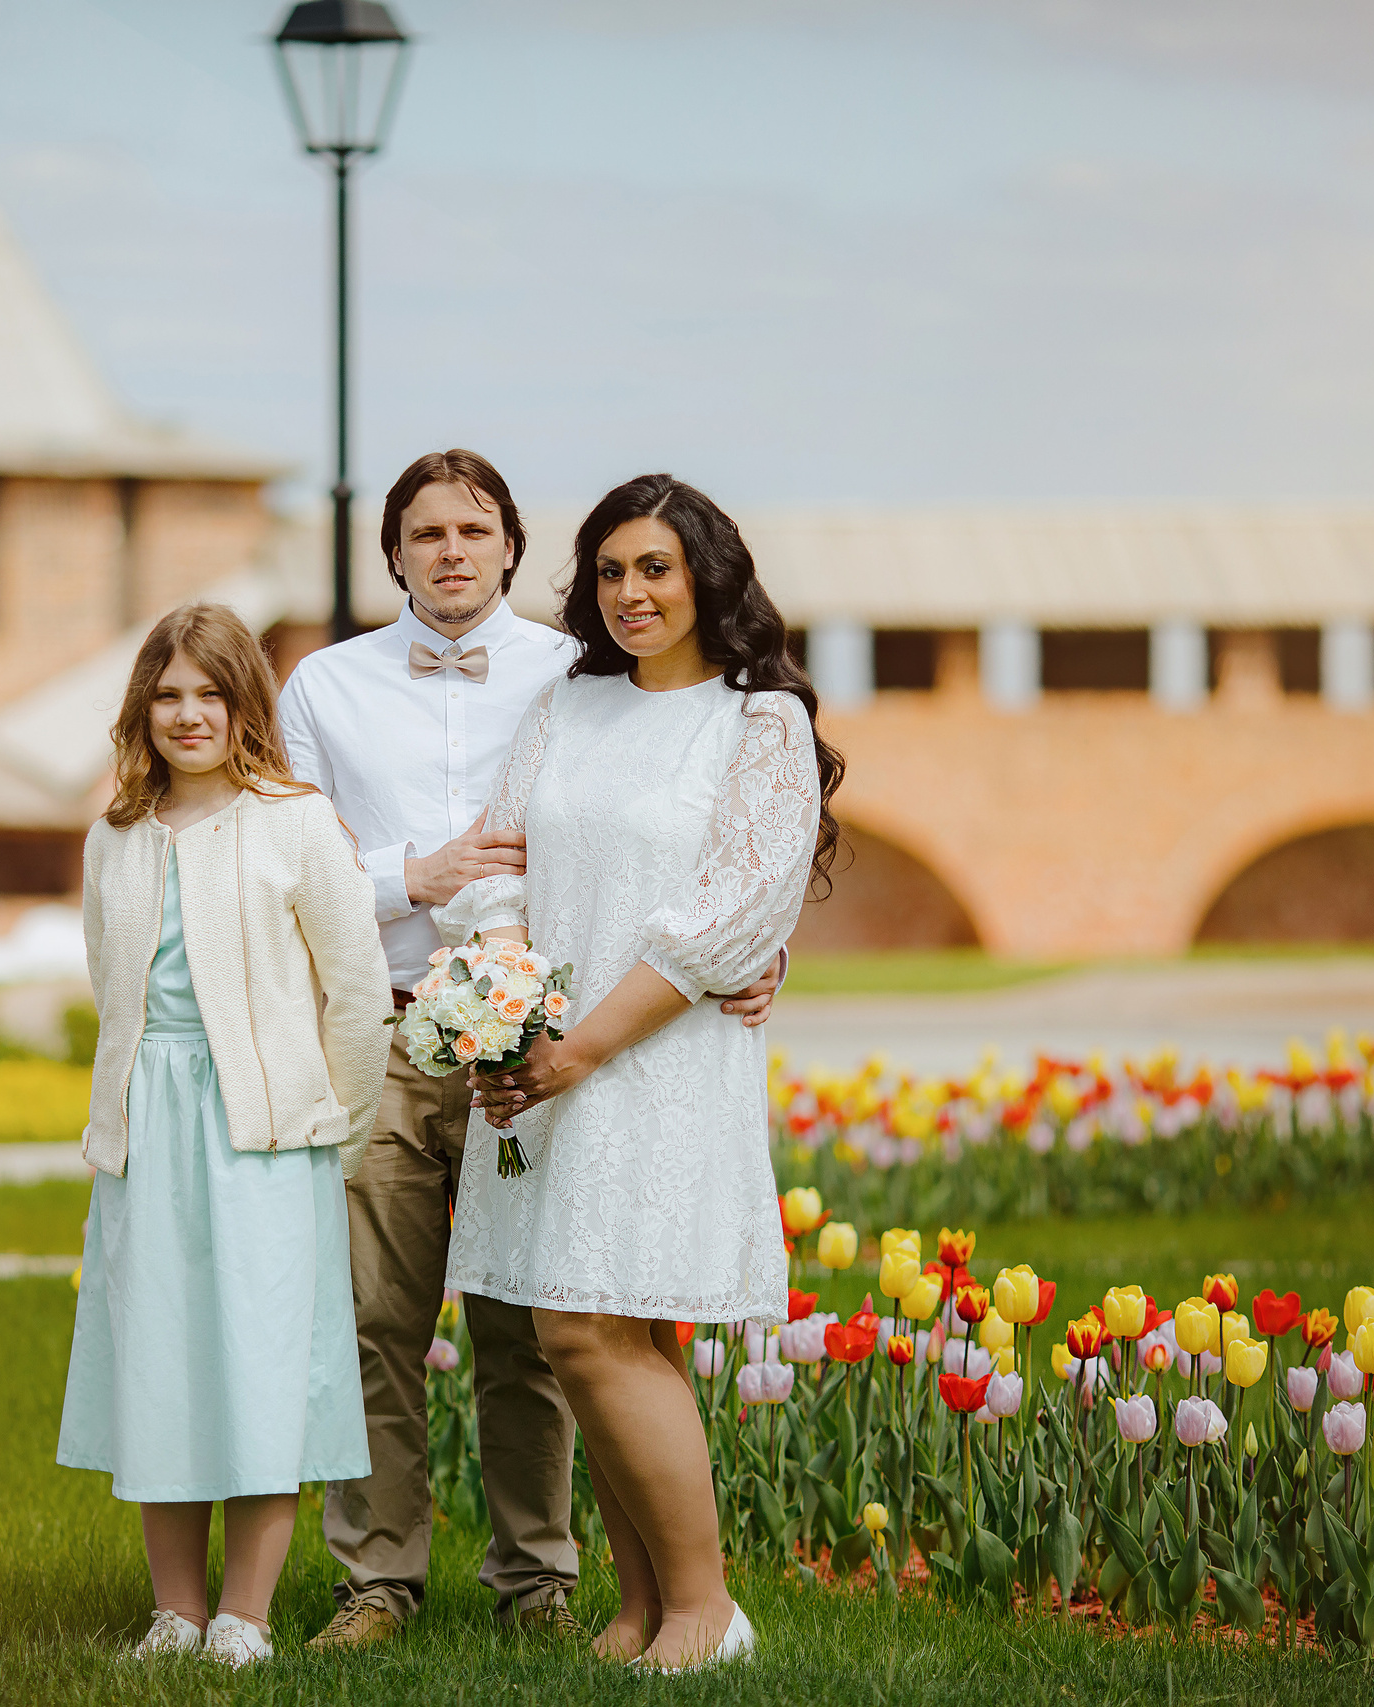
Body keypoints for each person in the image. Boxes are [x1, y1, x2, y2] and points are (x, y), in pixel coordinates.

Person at [276, 450, 785, 1651]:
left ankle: (540, 1585)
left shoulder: (587, 669)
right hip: (391, 1019)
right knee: (377, 1322)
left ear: (509, 547)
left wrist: (752, 953)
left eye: (474, 529)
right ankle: (378, 1585)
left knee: (548, 1330)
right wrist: (419, 879)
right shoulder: (323, 688)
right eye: (424, 534)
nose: (450, 550)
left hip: (567, 1041)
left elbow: (713, 854)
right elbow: (286, 866)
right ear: (391, 553)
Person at [442, 473, 844, 1672]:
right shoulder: (566, 708)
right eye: (611, 571)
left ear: (707, 576)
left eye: (655, 568)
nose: (630, 593)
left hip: (655, 1060)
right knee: (601, 1329)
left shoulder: (755, 723)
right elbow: (498, 869)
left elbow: (728, 916)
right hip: (545, 1058)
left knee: (587, 1324)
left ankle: (704, 1612)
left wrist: (585, 1046)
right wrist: (510, 1026)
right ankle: (637, 1607)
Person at [56, 601, 392, 1669]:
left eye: (209, 693)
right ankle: (176, 1612)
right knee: (162, 1360)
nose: (188, 714)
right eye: (167, 696)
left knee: (256, 1365)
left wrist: (331, 1129)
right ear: (141, 710)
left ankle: (244, 1615)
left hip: (266, 1136)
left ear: (244, 702)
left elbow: (356, 991)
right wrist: (118, 1115)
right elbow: (115, 991)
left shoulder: (293, 822)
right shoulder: (112, 840)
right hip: (150, 1130)